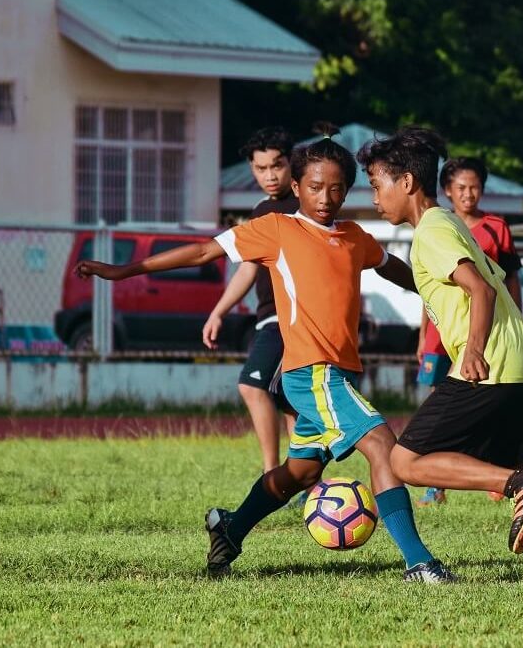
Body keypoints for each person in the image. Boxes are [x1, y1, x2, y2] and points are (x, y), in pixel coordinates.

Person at [75, 124, 454, 583]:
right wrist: (126, 269)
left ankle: (230, 527)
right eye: (315, 187)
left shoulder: (355, 237)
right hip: (312, 374)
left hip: (340, 375)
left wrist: (455, 284)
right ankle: (419, 563)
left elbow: (403, 273)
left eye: (337, 189)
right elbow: (200, 252)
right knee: (383, 447)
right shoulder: (276, 229)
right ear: (296, 187)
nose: (325, 198)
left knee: (298, 472)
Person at [359, 126, 523, 586]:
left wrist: (474, 351)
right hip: (520, 362)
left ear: (406, 183)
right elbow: (468, 280)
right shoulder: (449, 223)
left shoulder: (430, 232)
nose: (375, 197)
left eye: (376, 184)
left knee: (404, 461)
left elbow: (478, 289)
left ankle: (516, 486)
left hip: (490, 364)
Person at [415, 157, 522, 506]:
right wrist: (422, 336)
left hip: (479, 332)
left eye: (474, 187)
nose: (468, 193)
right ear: (447, 190)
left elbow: (507, 281)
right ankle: (437, 484)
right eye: (461, 187)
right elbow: (429, 290)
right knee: (438, 403)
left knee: (483, 401)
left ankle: (497, 472)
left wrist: (516, 319)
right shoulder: (438, 227)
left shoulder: (495, 228)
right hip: (440, 334)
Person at [202, 127, 298, 474]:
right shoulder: (260, 210)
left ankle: (272, 476)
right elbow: (247, 269)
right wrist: (218, 312)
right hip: (268, 318)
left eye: (277, 165)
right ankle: (299, 479)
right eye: (261, 168)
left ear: (291, 163)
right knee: (290, 401)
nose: (270, 175)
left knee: (252, 384)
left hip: (289, 319)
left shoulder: (307, 206)